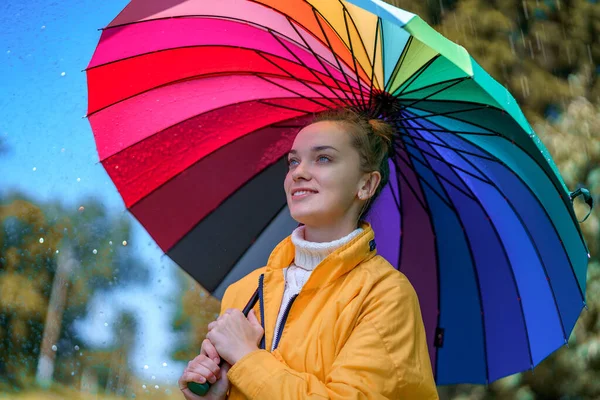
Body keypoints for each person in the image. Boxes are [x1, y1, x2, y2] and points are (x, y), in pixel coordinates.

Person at [178, 108, 439, 399]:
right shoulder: (245, 291)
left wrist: (246, 358)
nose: (298, 172)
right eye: (293, 161)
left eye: (323, 158)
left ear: (366, 184)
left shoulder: (384, 294)